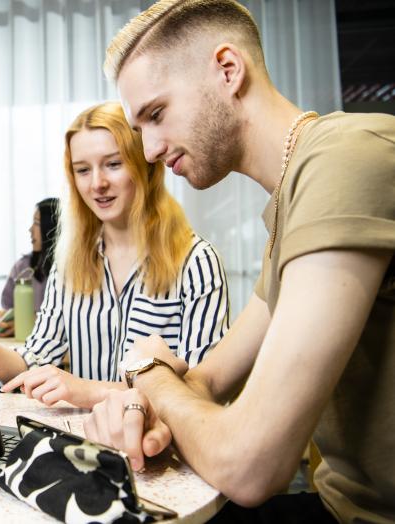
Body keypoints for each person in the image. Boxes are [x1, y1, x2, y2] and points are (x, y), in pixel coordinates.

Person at [86, 1, 395, 522]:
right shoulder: (289, 211)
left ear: (228, 70)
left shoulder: (344, 157)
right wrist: (154, 406)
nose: (153, 149)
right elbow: (207, 380)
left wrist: (151, 375)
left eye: (156, 115)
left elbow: (251, 465)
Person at [0, 101, 230, 409]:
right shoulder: (70, 264)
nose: (97, 183)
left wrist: (86, 390)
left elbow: (201, 391)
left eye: (113, 164)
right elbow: (33, 362)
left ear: (144, 164)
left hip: (164, 450)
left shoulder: (196, 262)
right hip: (87, 443)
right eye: (83, 170)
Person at [0, 197, 60, 337]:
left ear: (52, 228)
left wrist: (28, 322)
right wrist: (6, 317)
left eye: (37, 223)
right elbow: (8, 308)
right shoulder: (22, 268)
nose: (30, 230)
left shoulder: (70, 270)